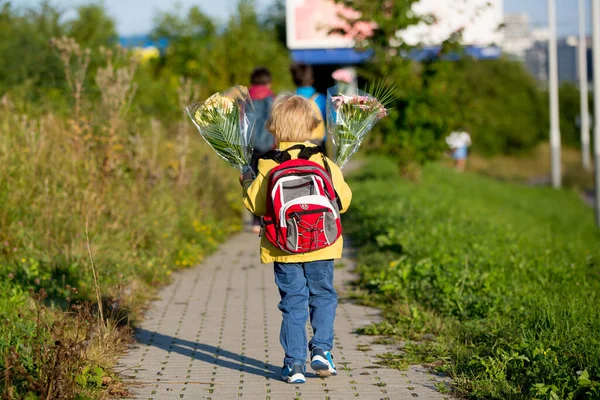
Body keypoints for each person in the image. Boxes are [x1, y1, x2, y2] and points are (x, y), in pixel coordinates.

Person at [239, 94, 352, 384]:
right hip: (321, 245)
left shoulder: (267, 164)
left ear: (273, 129)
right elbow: (345, 201)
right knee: (323, 295)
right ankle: (323, 350)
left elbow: (257, 206)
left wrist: (247, 183)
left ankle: (294, 365)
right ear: (313, 128)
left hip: (284, 247)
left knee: (293, 303)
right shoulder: (323, 161)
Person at [248, 67, 276, 233]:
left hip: (249, 146)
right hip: (268, 146)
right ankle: (267, 217)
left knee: (251, 180)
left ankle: (254, 221)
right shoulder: (272, 99)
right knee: (267, 180)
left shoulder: (244, 99)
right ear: (269, 82)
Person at [289, 63, 327, 151]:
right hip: (319, 142)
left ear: (294, 80)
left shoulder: (290, 100)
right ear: (312, 80)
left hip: (297, 142)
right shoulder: (320, 98)